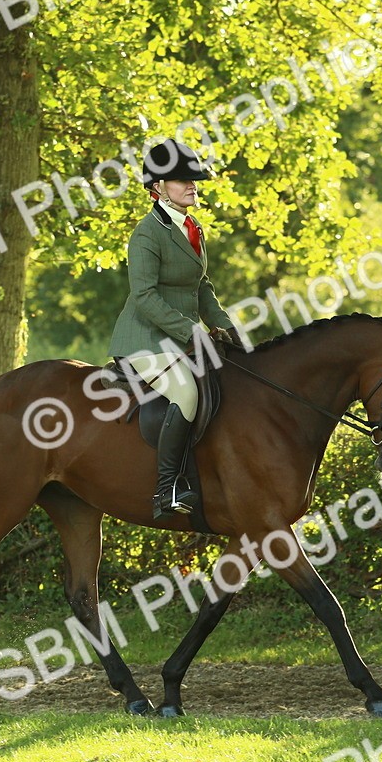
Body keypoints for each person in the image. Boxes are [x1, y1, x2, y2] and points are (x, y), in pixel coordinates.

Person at [107, 139, 241, 520]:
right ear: (158, 188)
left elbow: (202, 288)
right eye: (181, 180)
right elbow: (145, 296)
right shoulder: (147, 233)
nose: (191, 185)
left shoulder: (192, 226)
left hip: (180, 338)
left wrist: (228, 329)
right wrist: (192, 331)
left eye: (193, 179)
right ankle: (166, 489)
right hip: (145, 339)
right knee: (185, 391)